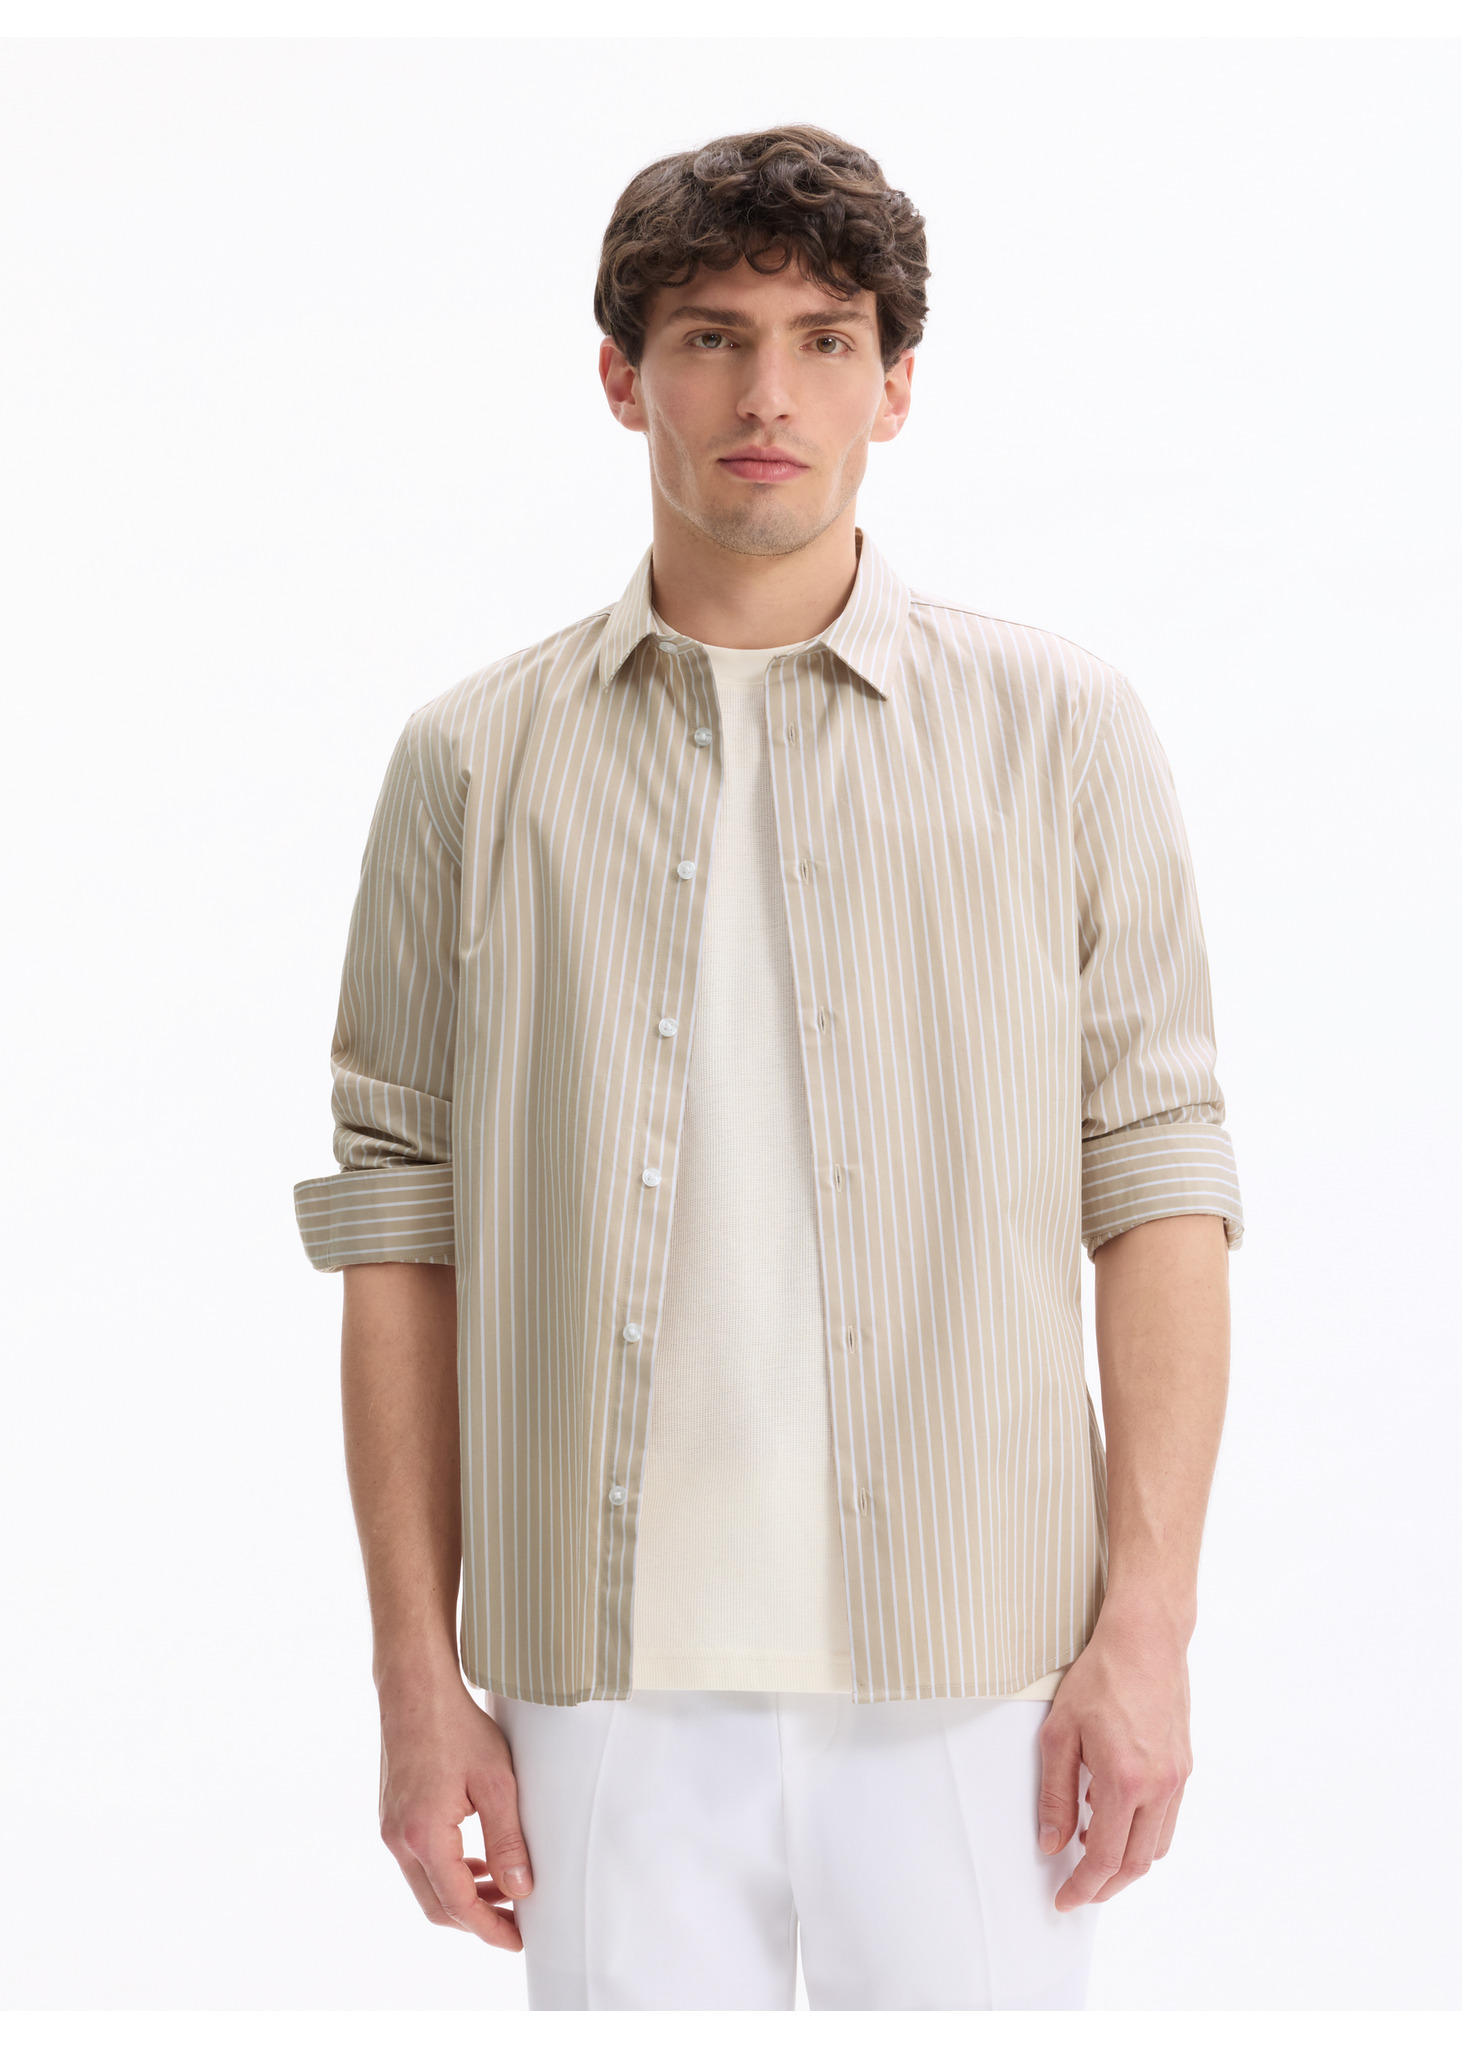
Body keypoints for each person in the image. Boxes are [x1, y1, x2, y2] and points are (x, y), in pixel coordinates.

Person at [293, 123, 1243, 2012]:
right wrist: (416, 1676)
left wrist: (1148, 1629)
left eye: (824, 341)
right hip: (599, 1682)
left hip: (981, 1668)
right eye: (712, 338)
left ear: (896, 385)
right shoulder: (470, 762)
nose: (767, 397)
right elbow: (400, 1227)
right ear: (621, 375)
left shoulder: (1060, 731)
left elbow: (1159, 1183)